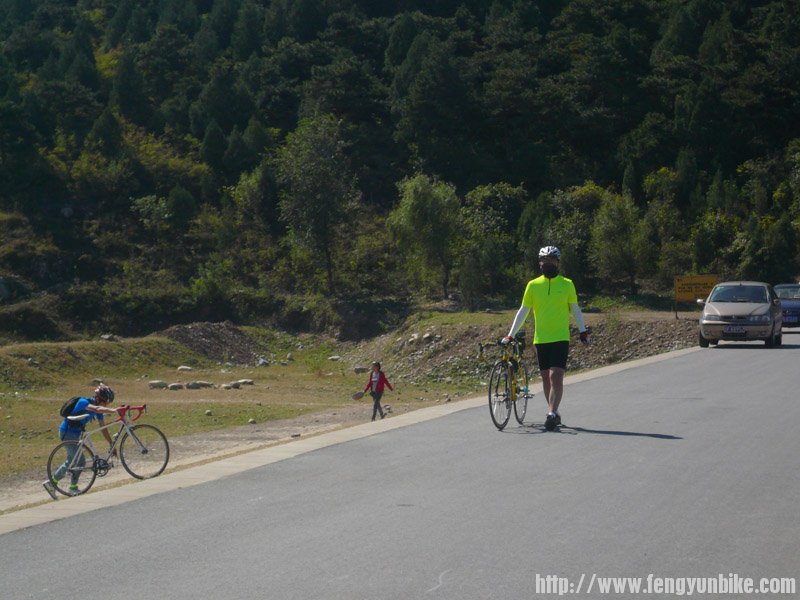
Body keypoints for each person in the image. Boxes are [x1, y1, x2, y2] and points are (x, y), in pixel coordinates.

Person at [502, 246, 590, 431]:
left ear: (557, 263)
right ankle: (554, 411)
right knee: (545, 378)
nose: (547, 264)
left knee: (555, 375)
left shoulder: (567, 284)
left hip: (560, 338)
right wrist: (511, 334)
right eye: (544, 261)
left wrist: (583, 330)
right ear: (540, 263)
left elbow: (575, 309)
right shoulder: (533, 285)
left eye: (551, 260)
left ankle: (551, 412)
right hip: (540, 339)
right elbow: (523, 311)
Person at [43, 384, 120, 498]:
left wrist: (111, 444)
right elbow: (97, 409)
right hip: (67, 432)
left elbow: (103, 428)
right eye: (106, 402)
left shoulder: (97, 408)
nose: (107, 405)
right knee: (80, 461)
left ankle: (52, 483)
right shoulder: (83, 402)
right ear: (100, 399)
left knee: (71, 460)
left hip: (75, 434)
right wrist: (114, 410)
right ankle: (72, 488)